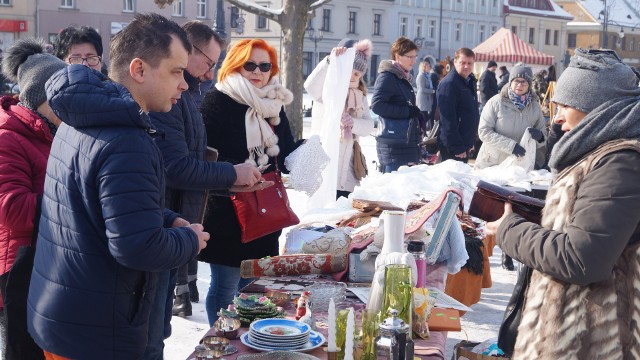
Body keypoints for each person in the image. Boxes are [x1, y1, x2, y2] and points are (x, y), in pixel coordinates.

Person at [27, 13, 210, 359]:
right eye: (175, 72)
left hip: (66, 317)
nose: (185, 85)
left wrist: (165, 217)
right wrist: (189, 240)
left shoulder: (86, 114)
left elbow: (100, 202)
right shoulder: (126, 138)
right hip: (96, 331)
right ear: (139, 69)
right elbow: (136, 247)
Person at [485, 48, 640, 359]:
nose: (555, 118)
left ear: (596, 108)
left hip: (588, 340)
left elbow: (582, 258)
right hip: (569, 333)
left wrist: (510, 230)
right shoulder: (599, 154)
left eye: (565, 106)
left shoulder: (620, 163)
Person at [144, 21, 264, 359]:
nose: (210, 72)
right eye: (207, 61)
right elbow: (177, 165)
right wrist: (231, 173)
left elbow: (192, 156)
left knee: (159, 325)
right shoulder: (185, 98)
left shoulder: (191, 93)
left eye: (265, 66)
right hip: (170, 221)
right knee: (152, 328)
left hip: (183, 217)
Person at [199, 39, 303, 326]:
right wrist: (237, 169)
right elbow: (203, 155)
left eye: (265, 65)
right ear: (235, 65)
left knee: (253, 286)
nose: (257, 72)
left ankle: (246, 339)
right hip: (227, 208)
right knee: (224, 285)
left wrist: (309, 152)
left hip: (265, 208)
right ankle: (221, 340)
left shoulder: (273, 103)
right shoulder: (218, 99)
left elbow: (285, 148)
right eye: (250, 64)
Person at [0, 38, 67, 360]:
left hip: (48, 258)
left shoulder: (55, 131)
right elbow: (11, 208)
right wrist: (72, 202)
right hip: (18, 265)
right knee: (23, 351)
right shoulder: (8, 137)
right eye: (59, 97)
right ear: (38, 97)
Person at [304, 39, 375, 198]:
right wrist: (330, 61)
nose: (352, 76)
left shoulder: (360, 95)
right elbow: (310, 86)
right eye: (350, 70)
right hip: (325, 162)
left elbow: (369, 125)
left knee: (341, 212)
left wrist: (353, 123)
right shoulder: (329, 87)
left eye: (357, 73)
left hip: (349, 167)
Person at [475, 63, 546, 170]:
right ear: (510, 82)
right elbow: (484, 131)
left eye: (524, 82)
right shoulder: (496, 102)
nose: (519, 85)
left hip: (519, 167)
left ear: (529, 84)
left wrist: (540, 137)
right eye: (516, 80)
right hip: (493, 164)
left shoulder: (535, 107)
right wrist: (511, 146)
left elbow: (543, 134)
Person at [371, 36, 421, 173]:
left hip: (402, 144)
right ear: (398, 56)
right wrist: (407, 112)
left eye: (415, 57)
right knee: (393, 191)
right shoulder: (388, 77)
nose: (414, 61)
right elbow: (377, 105)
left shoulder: (401, 77)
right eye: (410, 57)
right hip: (393, 146)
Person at [436, 47, 479, 163]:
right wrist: (457, 147)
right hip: (453, 147)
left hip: (464, 142)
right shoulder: (449, 84)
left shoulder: (469, 81)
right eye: (462, 63)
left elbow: (471, 112)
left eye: (469, 63)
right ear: (455, 62)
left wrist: (471, 142)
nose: (466, 66)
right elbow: (447, 121)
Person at [416, 56, 436, 131]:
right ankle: (421, 133)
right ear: (424, 67)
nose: (430, 67)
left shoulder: (427, 76)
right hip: (422, 100)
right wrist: (432, 91)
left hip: (426, 99)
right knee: (424, 117)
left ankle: (422, 132)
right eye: (428, 66)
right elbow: (421, 89)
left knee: (425, 117)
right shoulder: (421, 76)